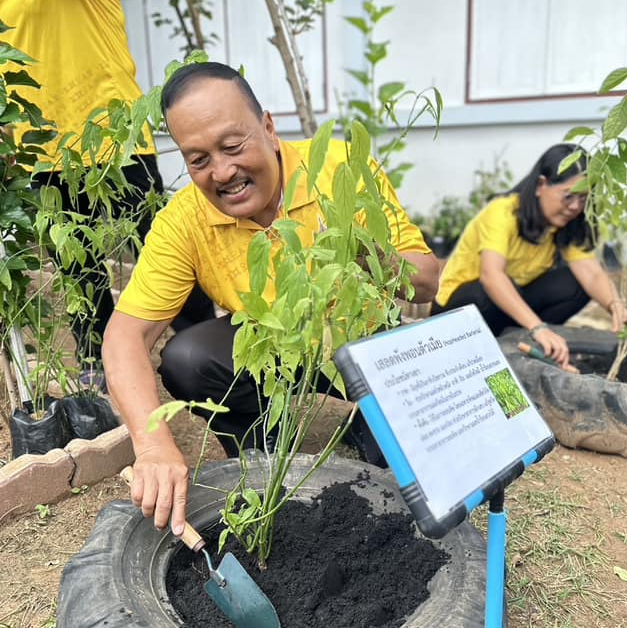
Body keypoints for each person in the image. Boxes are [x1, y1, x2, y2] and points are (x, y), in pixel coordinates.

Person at [102, 61, 440, 534]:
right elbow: (122, 338)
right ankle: (263, 448)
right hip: (272, 348)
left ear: (268, 127)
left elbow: (427, 281)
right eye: (198, 159)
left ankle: (369, 419)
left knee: (411, 472)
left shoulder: (339, 168)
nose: (222, 172)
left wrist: (356, 251)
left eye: (232, 145)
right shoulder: (185, 220)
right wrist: (153, 444)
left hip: (360, 344)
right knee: (188, 357)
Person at [0, 0, 214, 386]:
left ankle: (210, 360)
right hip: (39, 150)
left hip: (109, 138)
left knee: (166, 254)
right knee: (78, 273)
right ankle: (104, 378)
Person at [431, 143, 627, 367]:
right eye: (569, 196)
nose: (575, 207)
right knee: (488, 290)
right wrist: (538, 327)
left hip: (506, 306)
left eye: (583, 199)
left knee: (574, 284)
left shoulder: (564, 224)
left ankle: (522, 343)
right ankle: (487, 348)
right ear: (541, 185)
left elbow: (591, 274)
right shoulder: (503, 212)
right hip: (459, 311)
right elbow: (491, 276)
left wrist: (618, 308)